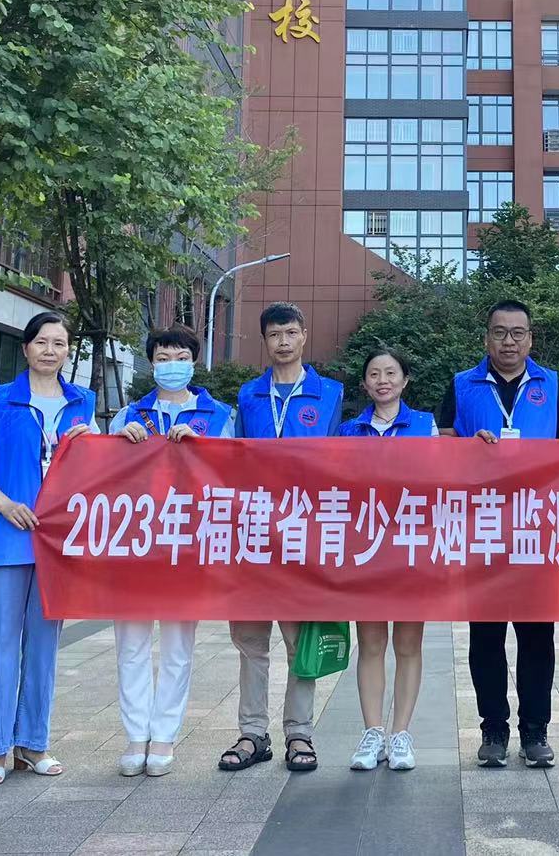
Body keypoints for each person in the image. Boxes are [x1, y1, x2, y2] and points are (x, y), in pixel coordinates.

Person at [438, 299, 559, 769]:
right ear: (486, 338)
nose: (508, 342)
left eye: (518, 333)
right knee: (486, 635)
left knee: (537, 635)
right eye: (499, 332)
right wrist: (466, 448)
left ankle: (536, 731)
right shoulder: (462, 385)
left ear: (531, 339)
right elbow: (439, 448)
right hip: (482, 527)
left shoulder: (551, 385)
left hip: (537, 528)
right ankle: (493, 730)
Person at [0, 311, 94, 786]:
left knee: (43, 649)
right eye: (42, 342)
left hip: (57, 543)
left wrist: (90, 444)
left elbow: (94, 471)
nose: (50, 351)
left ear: (68, 350)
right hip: (6, 537)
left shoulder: (83, 403)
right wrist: (5, 504)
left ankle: (33, 743)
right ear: (26, 348)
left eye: (59, 343)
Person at [222, 301, 345, 775]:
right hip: (253, 531)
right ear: (265, 341)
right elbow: (232, 458)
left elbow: (340, 463)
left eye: (291, 332)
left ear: (304, 336)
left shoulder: (330, 393)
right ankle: (252, 733)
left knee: (299, 640)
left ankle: (299, 733)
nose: (283, 342)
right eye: (274, 334)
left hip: (302, 531)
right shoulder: (249, 395)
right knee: (250, 640)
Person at [106, 323, 234, 778]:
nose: (172, 365)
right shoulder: (129, 415)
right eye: (163, 358)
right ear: (151, 362)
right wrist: (118, 445)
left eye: (181, 358)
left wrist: (204, 449)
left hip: (188, 542)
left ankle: (164, 735)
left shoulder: (218, 415)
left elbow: (234, 473)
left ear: (194, 361)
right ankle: (135, 735)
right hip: (136, 543)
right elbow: (104, 475)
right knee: (131, 644)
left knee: (178, 645)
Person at [337, 347, 435, 772]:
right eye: (374, 374)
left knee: (408, 645)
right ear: (365, 383)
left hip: (412, 546)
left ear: (405, 379)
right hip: (366, 548)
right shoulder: (348, 431)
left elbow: (441, 481)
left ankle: (401, 734)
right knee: (371, 643)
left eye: (391, 373)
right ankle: (372, 732)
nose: (383, 381)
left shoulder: (425, 426)